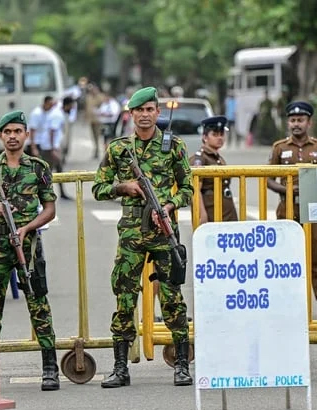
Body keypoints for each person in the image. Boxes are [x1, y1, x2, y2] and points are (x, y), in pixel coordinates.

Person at [92, 86, 193, 388]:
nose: (145, 115)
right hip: (132, 234)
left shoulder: (173, 146)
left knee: (173, 298)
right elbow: (99, 187)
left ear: (158, 113)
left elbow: (187, 187)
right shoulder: (119, 148)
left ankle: (182, 366)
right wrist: (125, 187)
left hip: (164, 232)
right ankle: (120, 368)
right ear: (131, 114)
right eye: (140, 110)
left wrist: (169, 205)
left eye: (150, 110)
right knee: (125, 297)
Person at [0, 110, 60, 391]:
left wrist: (28, 228)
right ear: (1, 135)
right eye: (8, 132)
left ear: (26, 134)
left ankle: (50, 368)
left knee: (38, 303)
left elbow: (50, 208)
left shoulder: (39, 168)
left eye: (18, 131)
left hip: (28, 245)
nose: (13, 136)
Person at [267, 101, 317, 317]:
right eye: (293, 120)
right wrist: (290, 190)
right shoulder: (280, 148)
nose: (296, 124)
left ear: (309, 122)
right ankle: (285, 298)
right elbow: (268, 179)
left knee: (316, 256)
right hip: (286, 209)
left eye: (300, 120)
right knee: (285, 256)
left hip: (313, 210)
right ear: (288, 123)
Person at [189, 116, 237, 223]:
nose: (219, 138)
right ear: (205, 137)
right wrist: (202, 214)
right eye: (215, 135)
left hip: (225, 213)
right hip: (211, 213)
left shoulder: (217, 157)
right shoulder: (200, 159)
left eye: (221, 134)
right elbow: (195, 190)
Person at [42, 96, 74, 200]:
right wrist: (53, 149)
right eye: (71, 106)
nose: (72, 109)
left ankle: (62, 193)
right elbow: (52, 131)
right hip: (49, 148)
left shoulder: (58, 113)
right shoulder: (57, 115)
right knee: (47, 172)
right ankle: (43, 194)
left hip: (53, 147)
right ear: (67, 105)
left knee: (59, 170)